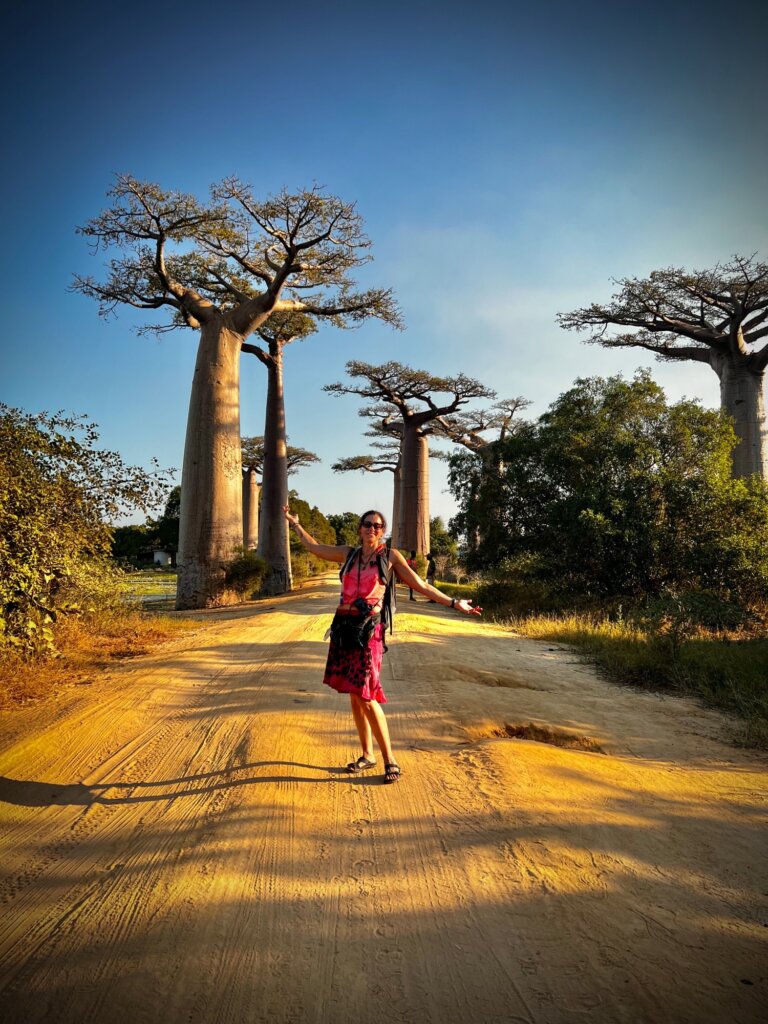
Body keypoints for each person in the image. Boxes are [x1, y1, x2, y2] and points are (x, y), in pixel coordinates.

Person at [283, 505, 482, 784]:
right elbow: (314, 547)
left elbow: (421, 586)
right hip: (343, 629)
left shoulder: (389, 557)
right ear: (360, 528)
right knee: (354, 694)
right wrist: (295, 524)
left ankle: (390, 759)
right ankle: (367, 754)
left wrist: (453, 602)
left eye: (377, 525)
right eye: (367, 524)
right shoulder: (347, 554)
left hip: (369, 632)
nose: (372, 529)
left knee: (366, 694)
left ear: (383, 530)